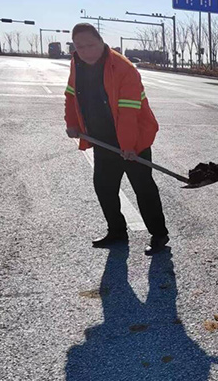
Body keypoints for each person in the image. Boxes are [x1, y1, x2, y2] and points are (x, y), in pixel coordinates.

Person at [64, 23, 169, 255]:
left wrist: (129, 147)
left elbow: (129, 113)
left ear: (101, 42)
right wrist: (71, 123)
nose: (86, 51)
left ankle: (159, 235)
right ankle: (117, 231)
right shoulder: (77, 64)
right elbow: (71, 96)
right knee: (104, 187)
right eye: (79, 46)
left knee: (143, 188)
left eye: (90, 45)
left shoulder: (123, 69)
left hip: (134, 139)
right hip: (102, 139)